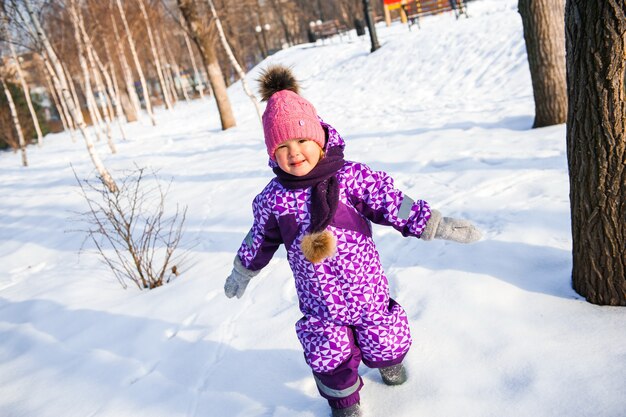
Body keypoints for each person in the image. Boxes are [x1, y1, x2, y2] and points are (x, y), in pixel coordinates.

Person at [224, 65, 481, 417]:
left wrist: (434, 224)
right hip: (320, 304)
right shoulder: (274, 199)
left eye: (301, 140)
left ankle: (388, 363)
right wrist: (243, 270)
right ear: (272, 153)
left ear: (319, 139)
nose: (294, 152)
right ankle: (345, 403)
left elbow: (394, 202)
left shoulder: (353, 178)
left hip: (366, 291)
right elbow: (258, 238)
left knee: (385, 338)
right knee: (329, 355)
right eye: (282, 146)